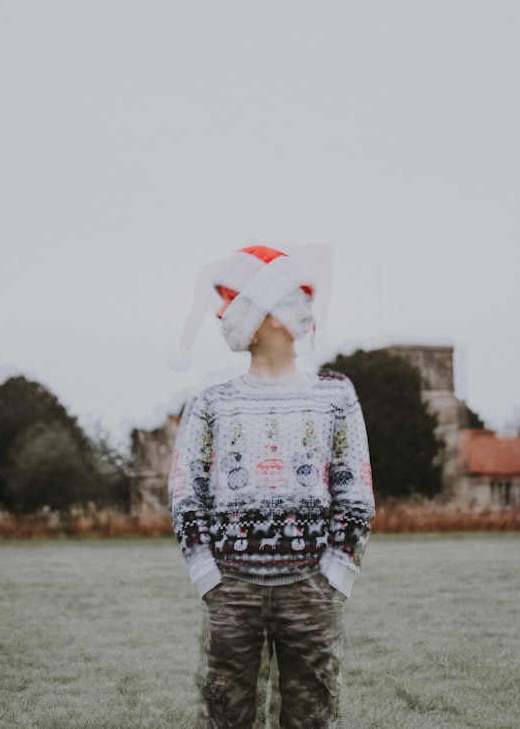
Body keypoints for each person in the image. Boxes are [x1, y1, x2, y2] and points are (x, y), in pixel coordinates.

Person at [167, 244, 375, 729]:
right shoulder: (211, 402)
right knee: (226, 715)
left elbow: (356, 495)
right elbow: (185, 494)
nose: (304, 313)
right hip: (231, 590)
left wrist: (333, 579)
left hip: (310, 590)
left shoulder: (336, 395)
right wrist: (208, 578)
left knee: (311, 717)